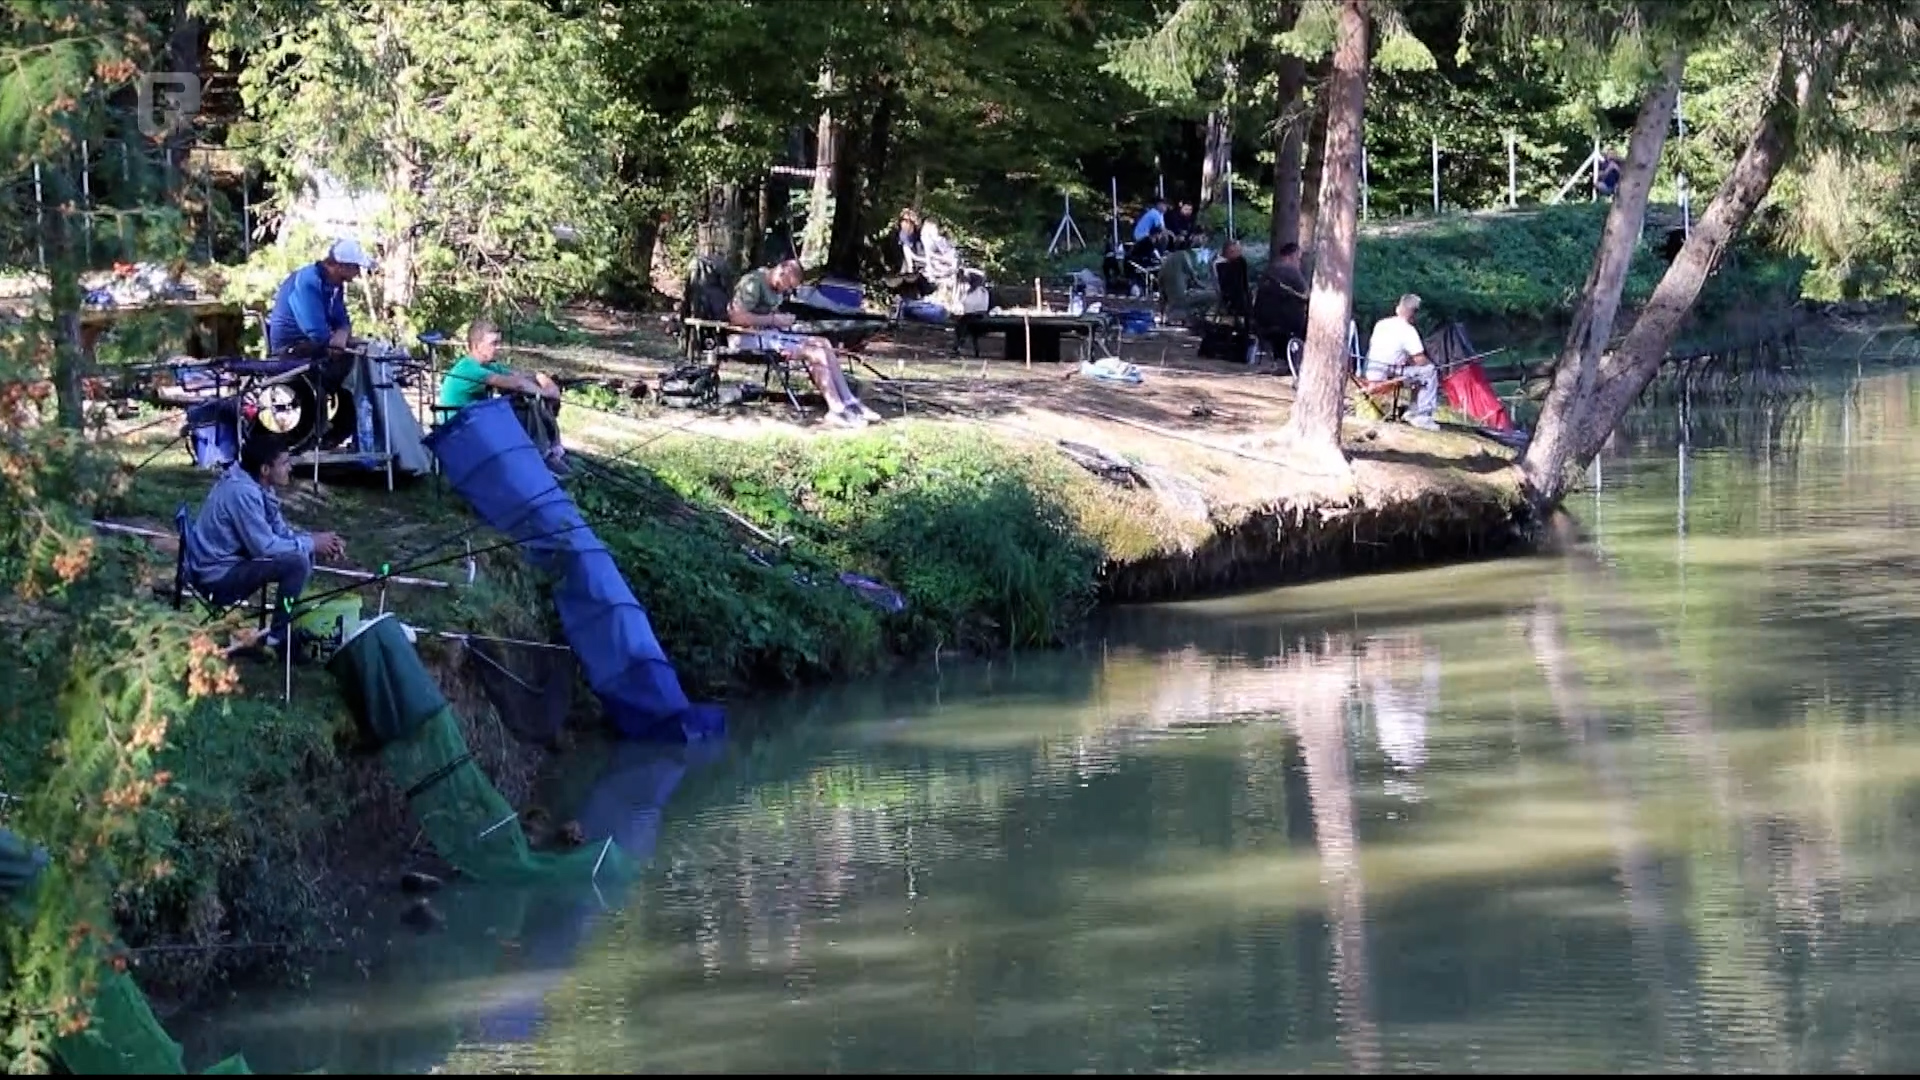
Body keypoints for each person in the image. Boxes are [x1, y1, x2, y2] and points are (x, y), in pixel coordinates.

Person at [184, 429, 345, 653]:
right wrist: (311, 544)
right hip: (216, 579)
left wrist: (317, 541)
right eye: (285, 463)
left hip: (228, 565)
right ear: (265, 469)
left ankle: (281, 630)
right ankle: (278, 639)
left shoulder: (256, 484)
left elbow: (279, 533)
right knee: (296, 562)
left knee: (301, 553)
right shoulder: (243, 493)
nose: (291, 467)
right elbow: (265, 547)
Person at [727, 257, 879, 429]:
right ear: (781, 271)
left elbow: (770, 315)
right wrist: (774, 319)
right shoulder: (753, 282)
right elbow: (735, 317)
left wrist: (782, 322)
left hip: (769, 334)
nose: (787, 290)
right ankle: (835, 408)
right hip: (744, 337)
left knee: (823, 343)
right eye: (789, 285)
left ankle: (849, 401)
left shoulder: (775, 287)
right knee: (815, 352)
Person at [436, 318, 567, 472]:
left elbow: (521, 377)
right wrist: (546, 392)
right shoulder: (469, 369)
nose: (498, 348)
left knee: (527, 401)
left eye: (498, 343)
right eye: (493, 343)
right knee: (527, 403)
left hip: (475, 421)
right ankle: (543, 455)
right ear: (477, 346)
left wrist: (541, 377)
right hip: (457, 428)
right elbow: (516, 384)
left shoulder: (489, 366)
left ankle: (549, 451)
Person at [266, 238, 376, 357]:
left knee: (363, 350)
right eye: (355, 267)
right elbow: (315, 331)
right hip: (290, 349)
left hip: (313, 344)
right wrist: (338, 340)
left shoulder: (335, 285)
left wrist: (343, 331)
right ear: (340, 266)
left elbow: (341, 318)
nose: (358, 273)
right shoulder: (308, 281)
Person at [1365, 293, 1440, 431]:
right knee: (1429, 371)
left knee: (1416, 372)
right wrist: (1433, 363)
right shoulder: (1408, 330)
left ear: (1399, 308)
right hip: (1389, 374)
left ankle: (1413, 410)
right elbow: (1420, 360)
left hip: (1373, 370)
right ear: (1413, 313)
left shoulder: (1381, 324)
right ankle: (1422, 416)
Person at [1253, 241, 1310, 364]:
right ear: (1293, 256)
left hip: (1262, 319)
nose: (1299, 263)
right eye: (1298, 259)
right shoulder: (1292, 271)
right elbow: (1306, 294)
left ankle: (1281, 358)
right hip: (1287, 320)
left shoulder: (1269, 270)